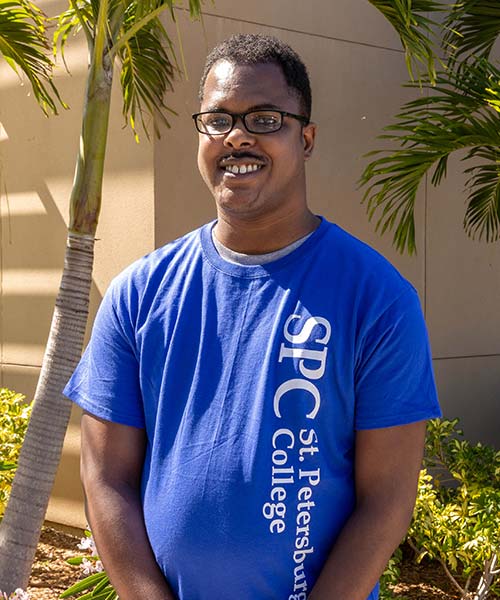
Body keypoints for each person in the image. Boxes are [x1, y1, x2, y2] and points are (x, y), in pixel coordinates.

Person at [64, 33, 441, 600]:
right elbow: (105, 478)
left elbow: (386, 501)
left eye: (265, 118)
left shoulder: (377, 299)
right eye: (218, 119)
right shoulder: (138, 293)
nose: (236, 135)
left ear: (306, 138)